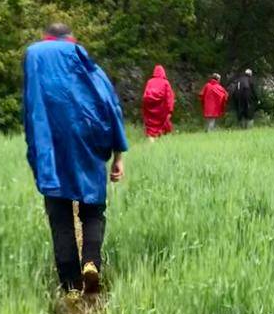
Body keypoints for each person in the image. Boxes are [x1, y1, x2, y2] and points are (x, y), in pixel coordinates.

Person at [23, 22, 127, 296]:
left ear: (47, 37)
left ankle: (70, 285)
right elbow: (111, 107)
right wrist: (118, 156)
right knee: (92, 209)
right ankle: (91, 262)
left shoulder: (34, 57)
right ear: (71, 38)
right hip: (88, 140)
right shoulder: (84, 61)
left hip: (51, 144)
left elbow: (32, 108)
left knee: (60, 215)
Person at [142, 64, 175, 139]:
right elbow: (169, 97)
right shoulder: (165, 83)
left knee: (151, 128)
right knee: (162, 126)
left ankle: (151, 141)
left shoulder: (149, 82)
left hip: (150, 110)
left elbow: (145, 97)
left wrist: (145, 109)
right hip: (161, 110)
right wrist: (170, 110)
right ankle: (160, 141)